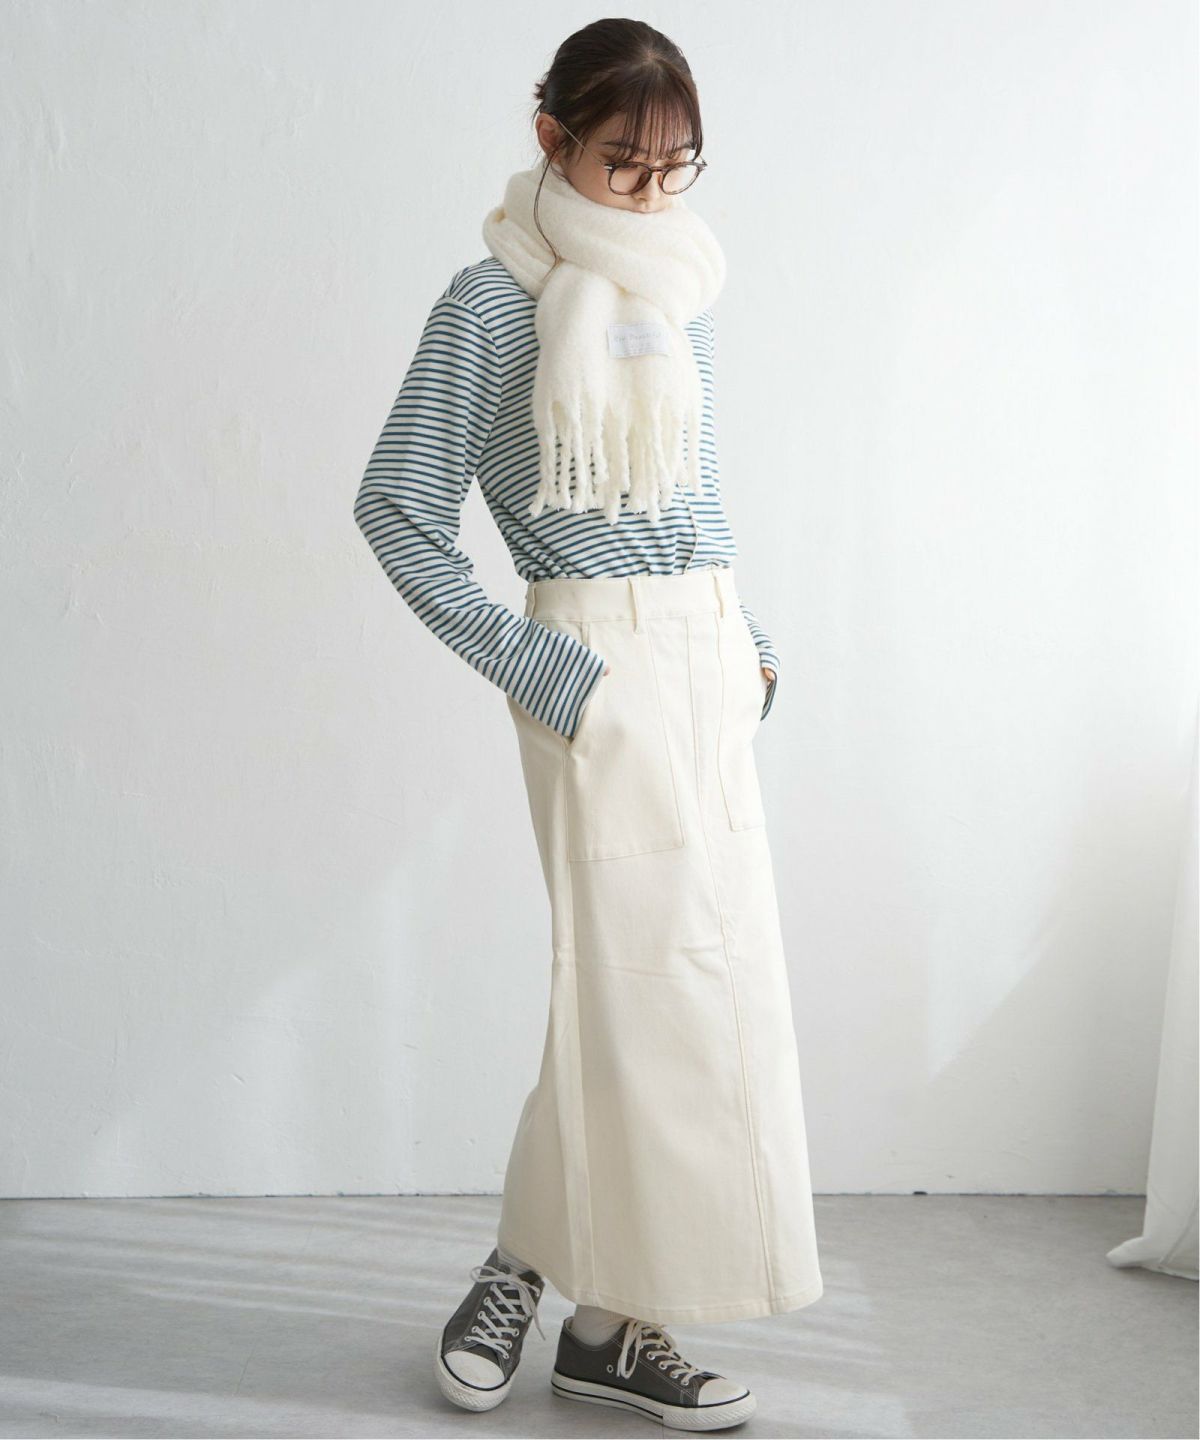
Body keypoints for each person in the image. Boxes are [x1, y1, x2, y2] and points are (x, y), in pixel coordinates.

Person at [352, 18, 823, 1432]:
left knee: (704, 996)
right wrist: (549, 673)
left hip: (708, 656)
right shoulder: (489, 302)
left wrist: (752, 645)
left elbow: (694, 492)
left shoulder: (682, 284)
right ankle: (552, 1288)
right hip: (593, 665)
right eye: (626, 162)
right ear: (551, 135)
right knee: (627, 993)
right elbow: (397, 508)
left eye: (678, 167)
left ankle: (602, 1320)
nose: (654, 192)